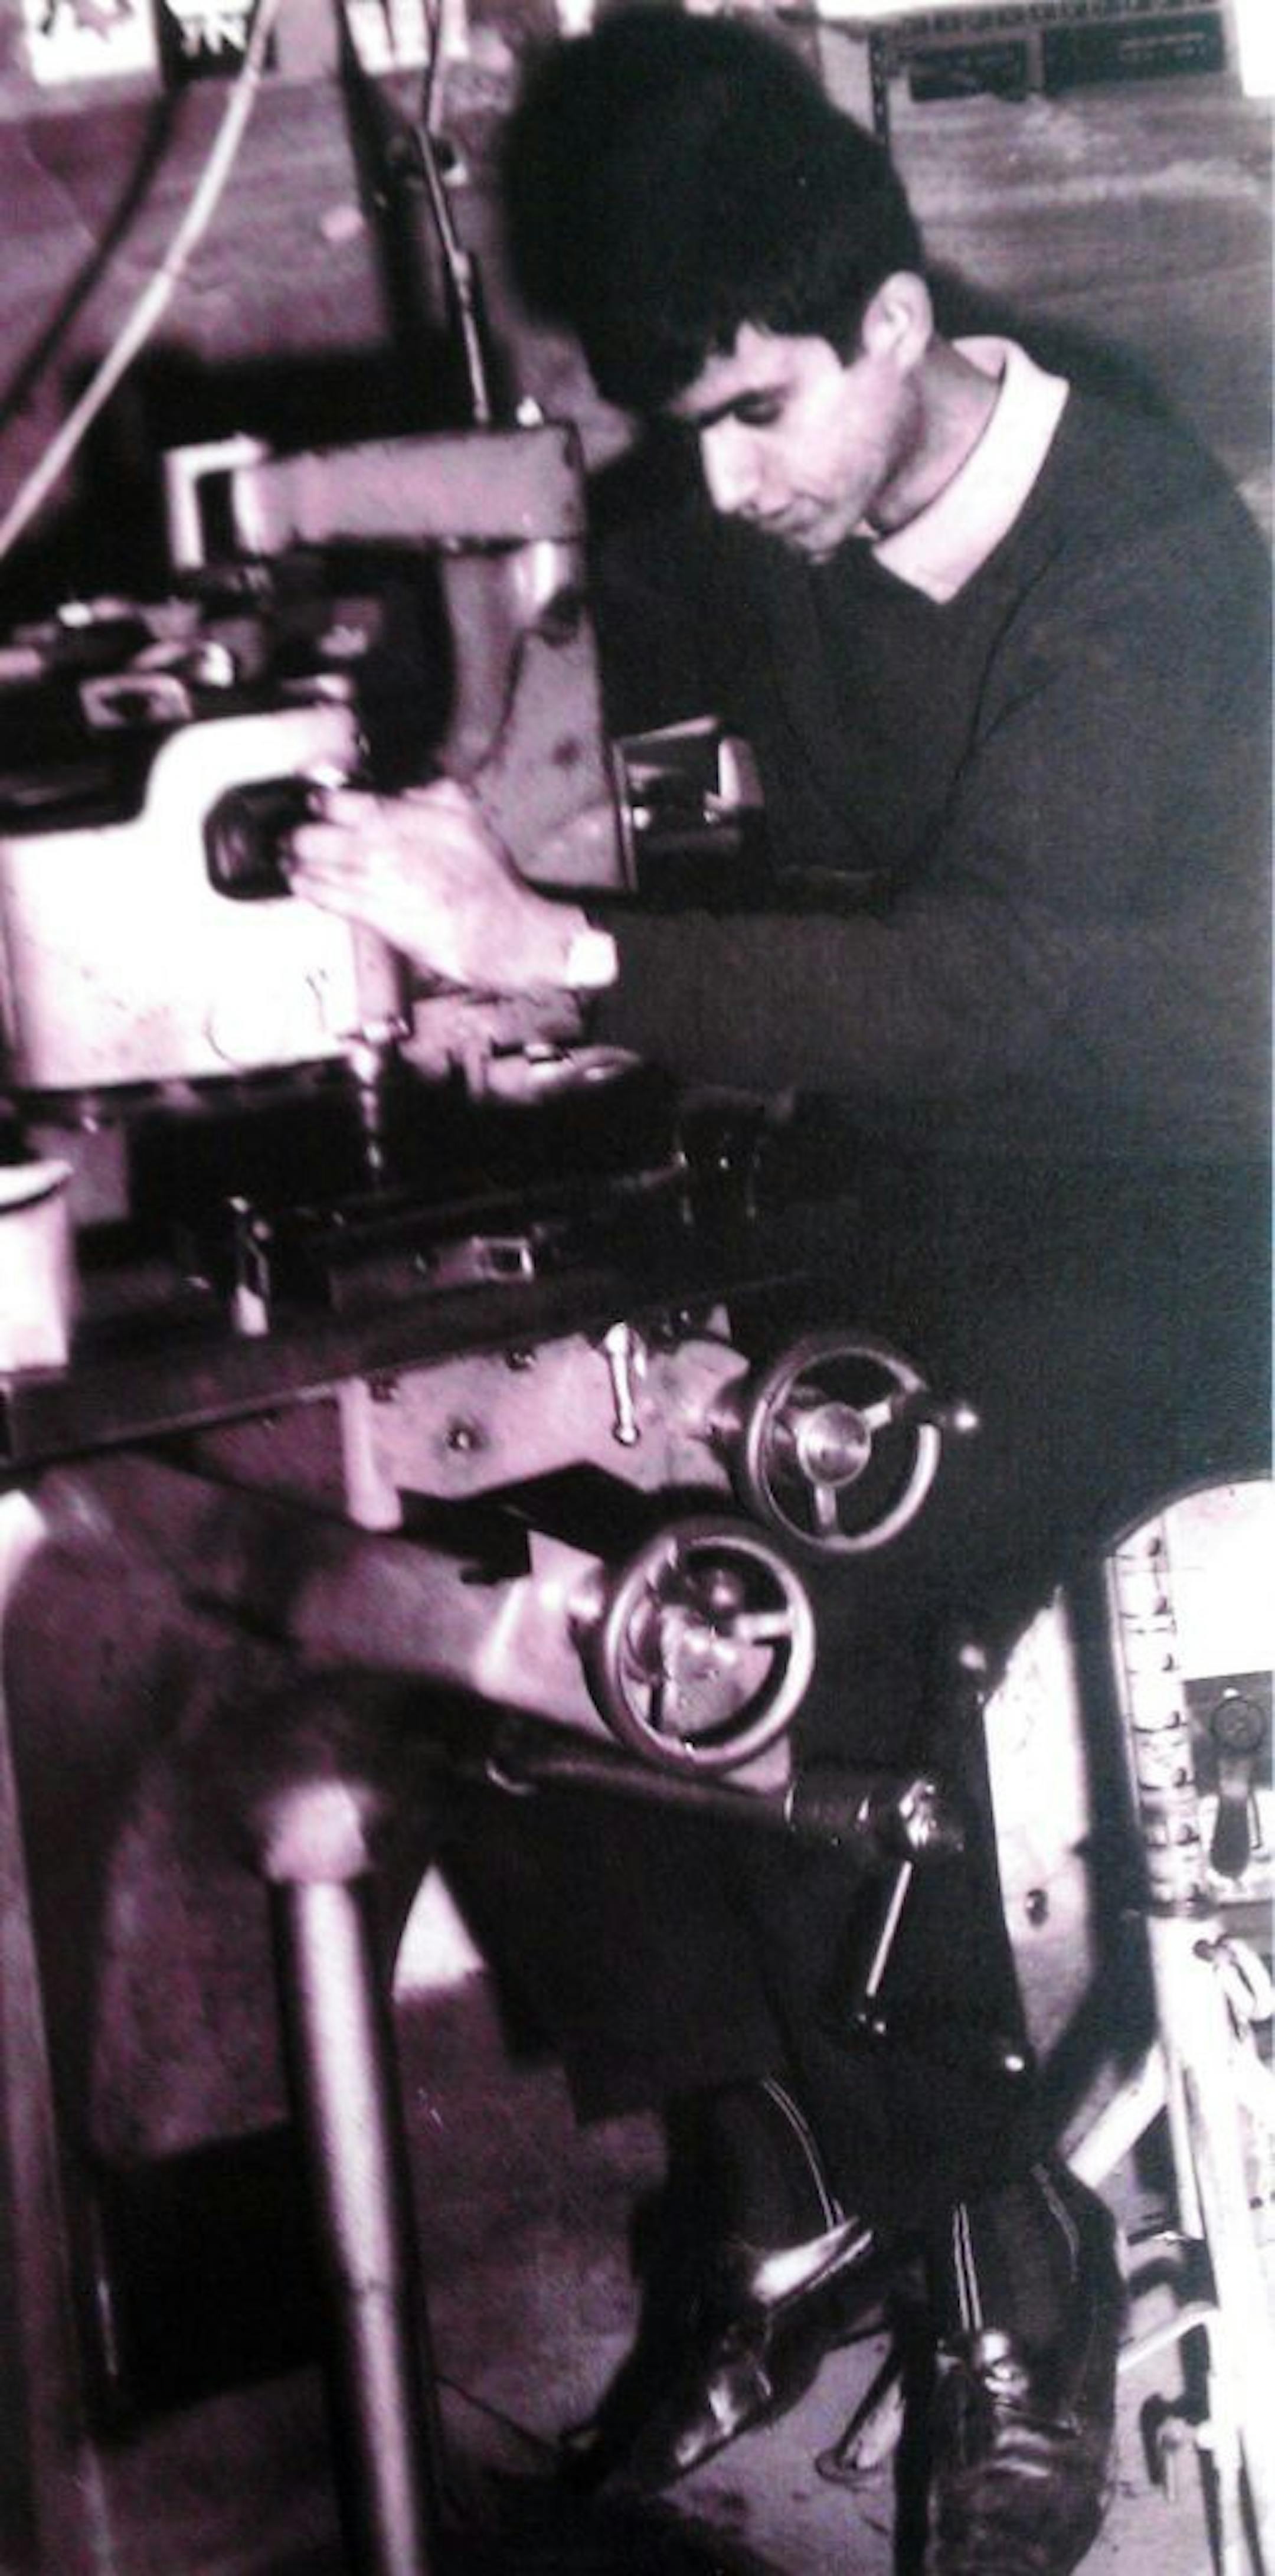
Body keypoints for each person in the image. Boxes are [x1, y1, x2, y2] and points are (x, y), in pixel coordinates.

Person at [285, 14, 1271, 2571]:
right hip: (931, 1209)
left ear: (903, 328)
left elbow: (999, 991)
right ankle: (799, 2170)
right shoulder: (777, 518)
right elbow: (781, 890)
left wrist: (582, 953)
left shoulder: (1146, 563)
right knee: (508, 1611)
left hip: (1202, 1227)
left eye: (750, 418)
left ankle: (1003, 2264)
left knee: (779, 1611)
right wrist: (529, 966)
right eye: (677, 431)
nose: (714, 489)